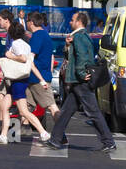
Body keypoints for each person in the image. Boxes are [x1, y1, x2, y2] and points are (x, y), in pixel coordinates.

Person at [46, 11, 115, 153]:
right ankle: (55, 140)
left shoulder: (79, 37)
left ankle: (109, 142)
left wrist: (82, 74)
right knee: (66, 111)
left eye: (72, 20)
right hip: (77, 81)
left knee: (93, 111)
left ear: (79, 21)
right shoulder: (77, 37)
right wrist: (67, 45)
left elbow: (82, 58)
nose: (70, 22)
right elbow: (69, 57)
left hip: (80, 81)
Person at [0, 21, 49, 145]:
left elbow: (22, 58)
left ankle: (43, 133)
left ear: (11, 33)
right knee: (5, 107)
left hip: (17, 81)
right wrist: (41, 79)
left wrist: (9, 56)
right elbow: (31, 65)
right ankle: (3, 135)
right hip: (19, 80)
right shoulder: (27, 45)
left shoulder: (16, 44)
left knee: (23, 111)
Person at [24, 11, 60, 125]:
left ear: (31, 22)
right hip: (36, 77)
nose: (26, 24)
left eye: (27, 21)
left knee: (52, 106)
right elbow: (51, 57)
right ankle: (17, 132)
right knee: (24, 106)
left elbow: (30, 58)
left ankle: (61, 136)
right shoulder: (45, 34)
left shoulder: (38, 36)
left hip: (38, 79)